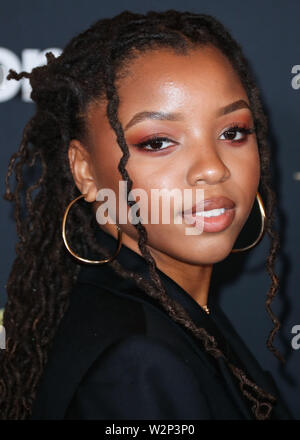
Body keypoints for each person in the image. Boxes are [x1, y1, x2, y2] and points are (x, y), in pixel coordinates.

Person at [1, 10, 293, 420]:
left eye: (233, 132)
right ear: (84, 170)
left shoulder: (164, 308)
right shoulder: (136, 363)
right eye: (157, 141)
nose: (213, 168)